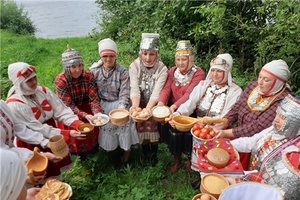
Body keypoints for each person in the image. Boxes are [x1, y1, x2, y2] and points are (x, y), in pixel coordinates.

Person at [6, 62, 84, 178]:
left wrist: (76, 123)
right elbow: (37, 127)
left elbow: (60, 110)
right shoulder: (15, 104)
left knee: (55, 167)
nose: (34, 82)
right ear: (19, 84)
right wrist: (66, 133)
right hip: (33, 139)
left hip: (51, 133)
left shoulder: (43, 91)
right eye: (28, 81)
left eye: (34, 78)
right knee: (39, 171)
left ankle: (58, 190)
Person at [169, 53, 243, 175]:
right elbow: (191, 102)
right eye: (213, 70)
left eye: (219, 71)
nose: (215, 74)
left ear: (227, 72)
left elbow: (227, 115)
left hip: (217, 127)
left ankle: (206, 173)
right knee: (176, 128)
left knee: (209, 145)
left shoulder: (235, 91)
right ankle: (182, 159)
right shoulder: (204, 84)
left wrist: (207, 124)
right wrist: (178, 113)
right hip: (197, 123)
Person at [215, 59, 291, 169]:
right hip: (236, 134)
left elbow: (258, 126)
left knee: (238, 170)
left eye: (266, 80)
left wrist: (226, 133)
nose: (260, 82)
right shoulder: (253, 87)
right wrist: (224, 122)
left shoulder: (283, 100)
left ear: (277, 83)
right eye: (260, 77)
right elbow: (237, 107)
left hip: (253, 144)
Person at [230, 94, 300, 200]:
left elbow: (271, 180)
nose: (276, 120)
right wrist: (227, 145)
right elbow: (251, 142)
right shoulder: (274, 129)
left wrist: (240, 176)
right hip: (250, 180)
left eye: (282, 118)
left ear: (296, 123)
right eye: (277, 114)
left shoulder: (294, 150)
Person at [156, 40, 206, 172]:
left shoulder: (198, 73)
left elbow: (190, 95)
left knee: (189, 136)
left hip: (190, 110)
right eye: (178, 59)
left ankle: (190, 159)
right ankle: (177, 159)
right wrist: (161, 105)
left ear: (190, 59)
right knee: (174, 136)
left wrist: (173, 108)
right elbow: (166, 89)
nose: (180, 63)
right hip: (173, 108)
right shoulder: (172, 71)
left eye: (184, 59)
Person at [90, 38, 139, 167]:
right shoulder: (94, 72)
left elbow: (124, 92)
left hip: (119, 104)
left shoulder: (122, 72)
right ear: (101, 56)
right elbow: (93, 93)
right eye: (105, 56)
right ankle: (112, 153)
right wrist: (97, 110)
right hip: (104, 104)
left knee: (124, 129)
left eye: (111, 56)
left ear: (115, 56)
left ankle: (127, 156)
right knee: (108, 130)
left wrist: (121, 109)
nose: (108, 59)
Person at [55, 45, 103, 157]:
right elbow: (68, 105)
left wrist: (97, 113)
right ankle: (77, 154)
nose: (77, 70)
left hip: (85, 105)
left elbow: (93, 98)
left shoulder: (88, 76)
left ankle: (92, 151)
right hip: (69, 110)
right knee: (76, 131)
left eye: (80, 65)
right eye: (73, 67)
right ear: (67, 68)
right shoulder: (61, 81)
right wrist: (84, 115)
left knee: (91, 128)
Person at [0, 98, 62, 185]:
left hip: (13, 159)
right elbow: (3, 159)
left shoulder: (2, 105)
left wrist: (46, 143)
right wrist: (22, 178)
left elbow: (21, 129)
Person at [129, 33, 168, 166]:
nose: (148, 58)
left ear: (157, 54)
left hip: (155, 104)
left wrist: (148, 109)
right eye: (145, 53)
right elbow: (134, 88)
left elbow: (157, 92)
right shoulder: (134, 66)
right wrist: (135, 106)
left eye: (152, 54)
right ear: (140, 53)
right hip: (139, 103)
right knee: (142, 128)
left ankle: (154, 155)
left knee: (153, 129)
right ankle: (146, 155)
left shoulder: (162, 69)